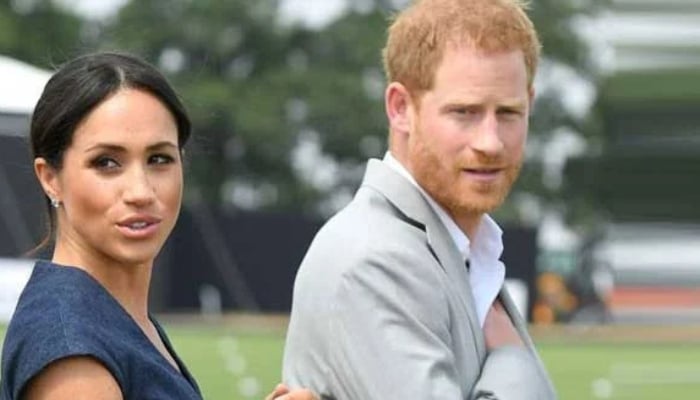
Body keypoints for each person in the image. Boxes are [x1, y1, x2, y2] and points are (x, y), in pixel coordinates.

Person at [282, 0, 557, 398]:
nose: (491, 142)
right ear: (400, 108)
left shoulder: (462, 250)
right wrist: (514, 360)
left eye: (510, 113)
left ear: (530, 103)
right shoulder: (374, 261)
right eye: (464, 112)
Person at [0, 52, 314, 400]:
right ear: (50, 178)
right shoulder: (72, 349)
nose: (141, 191)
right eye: (106, 162)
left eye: (159, 159)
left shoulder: (112, 315)